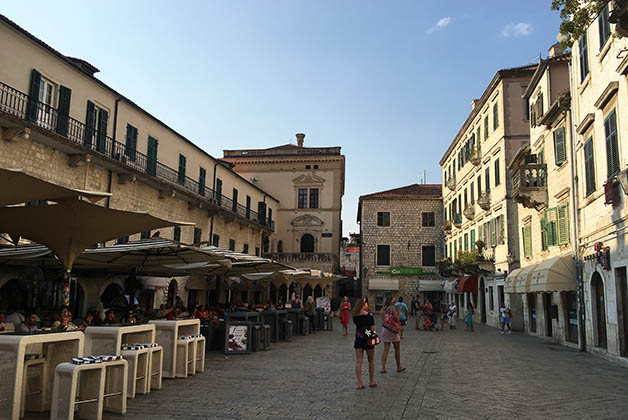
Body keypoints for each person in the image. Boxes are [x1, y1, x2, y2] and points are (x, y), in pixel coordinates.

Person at [352, 296, 376, 389]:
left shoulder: (355, 315)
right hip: (368, 339)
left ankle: (360, 383)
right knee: (371, 361)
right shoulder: (369, 316)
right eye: (366, 303)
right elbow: (372, 328)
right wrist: (374, 335)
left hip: (358, 338)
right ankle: (371, 381)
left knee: (359, 361)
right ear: (363, 304)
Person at [381, 296, 405, 373]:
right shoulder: (392, 308)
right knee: (397, 349)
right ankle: (398, 366)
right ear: (391, 301)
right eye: (393, 300)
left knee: (385, 350)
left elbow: (383, 319)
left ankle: (383, 368)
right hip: (392, 330)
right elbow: (397, 319)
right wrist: (399, 311)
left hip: (385, 329)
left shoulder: (384, 308)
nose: (395, 301)